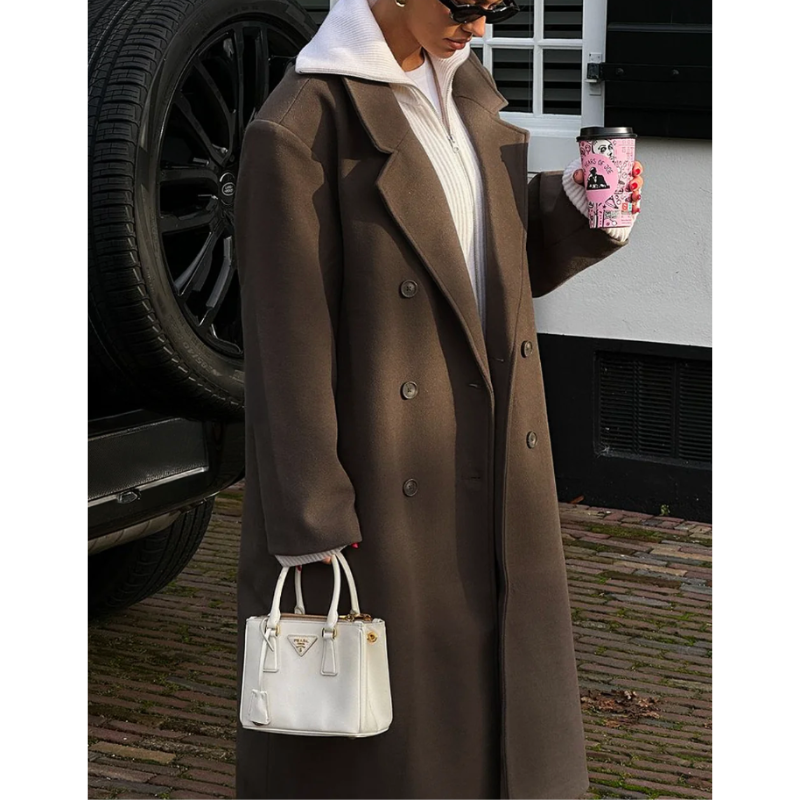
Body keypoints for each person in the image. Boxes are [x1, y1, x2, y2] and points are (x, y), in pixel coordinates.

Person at [233, 0, 645, 797]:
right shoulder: (299, 129)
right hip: (385, 482)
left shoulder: (463, 90)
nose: (480, 27)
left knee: (506, 712)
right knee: (406, 745)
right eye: (466, 5)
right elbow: (284, 346)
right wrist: (312, 519)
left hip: (492, 447)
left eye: (498, 6)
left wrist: (579, 209)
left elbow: (479, 265)